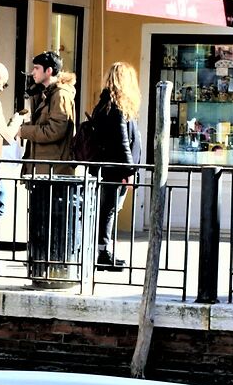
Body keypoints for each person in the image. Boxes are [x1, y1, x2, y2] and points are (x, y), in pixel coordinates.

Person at [17, 52, 79, 282]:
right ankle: (39, 262)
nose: (32, 72)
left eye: (36, 68)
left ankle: (50, 266)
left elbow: (56, 130)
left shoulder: (60, 95)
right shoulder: (45, 93)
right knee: (39, 218)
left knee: (51, 220)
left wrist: (24, 131)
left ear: (49, 70)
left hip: (53, 169)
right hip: (41, 167)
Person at [80, 59, 143, 270]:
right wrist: (130, 171)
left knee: (107, 209)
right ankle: (102, 252)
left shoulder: (105, 105)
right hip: (115, 170)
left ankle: (102, 251)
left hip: (108, 168)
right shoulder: (116, 108)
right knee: (109, 210)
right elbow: (123, 143)